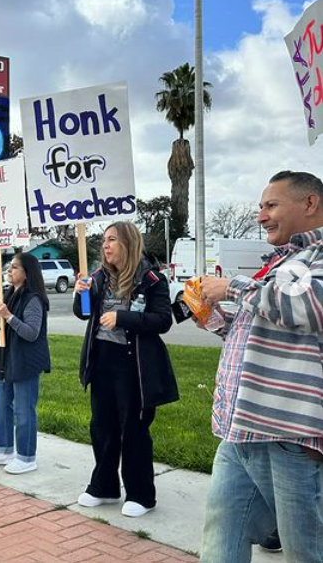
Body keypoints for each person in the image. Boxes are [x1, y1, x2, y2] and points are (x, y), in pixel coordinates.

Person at [198, 171, 323, 563]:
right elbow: (256, 328)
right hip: (243, 429)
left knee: (305, 549)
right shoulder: (283, 262)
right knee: (222, 534)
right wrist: (215, 317)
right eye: (260, 207)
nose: (261, 215)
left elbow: (307, 307)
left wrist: (231, 287)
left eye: (271, 205)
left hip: (290, 433)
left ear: (309, 204)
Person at [73, 221, 177, 518]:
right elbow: (83, 314)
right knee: (102, 427)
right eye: (103, 240)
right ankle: (104, 487)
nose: (105, 246)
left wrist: (123, 318)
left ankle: (141, 494)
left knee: (134, 430)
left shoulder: (151, 279)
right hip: (102, 360)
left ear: (128, 243)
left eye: (112, 240)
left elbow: (162, 320)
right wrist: (80, 294)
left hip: (135, 365)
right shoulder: (97, 278)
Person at [0, 252, 51, 475]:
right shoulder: (10, 293)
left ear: (27, 273)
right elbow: (8, 327)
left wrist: (8, 317)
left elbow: (31, 332)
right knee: (0, 405)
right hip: (6, 359)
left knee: (24, 409)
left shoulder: (33, 299)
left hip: (26, 361)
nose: (9, 271)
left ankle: (27, 457)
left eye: (14, 268)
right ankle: (3, 449)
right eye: (9, 267)